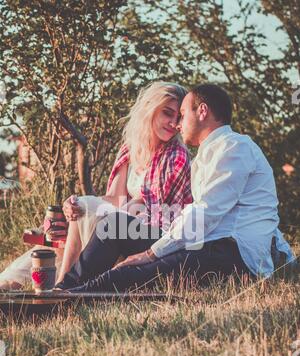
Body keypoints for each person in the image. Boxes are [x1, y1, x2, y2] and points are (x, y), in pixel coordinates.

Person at [56, 83, 295, 293]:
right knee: (114, 226)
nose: (178, 124)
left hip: (230, 255)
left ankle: (67, 301)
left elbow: (205, 213)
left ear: (202, 111)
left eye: (182, 114)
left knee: (130, 273)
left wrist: (150, 253)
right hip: (203, 244)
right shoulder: (205, 157)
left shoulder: (235, 148)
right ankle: (62, 290)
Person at [0, 82, 192, 291]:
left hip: (152, 232)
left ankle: (60, 284)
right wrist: (74, 207)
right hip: (123, 222)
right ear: (150, 108)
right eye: (167, 113)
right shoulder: (131, 149)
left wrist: (89, 211)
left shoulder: (176, 156)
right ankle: (14, 281)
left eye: (178, 118)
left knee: (89, 213)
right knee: (80, 211)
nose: (173, 123)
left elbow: (153, 209)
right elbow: (113, 198)